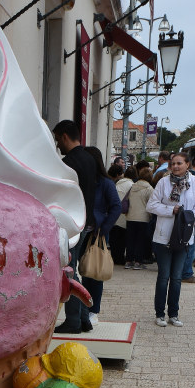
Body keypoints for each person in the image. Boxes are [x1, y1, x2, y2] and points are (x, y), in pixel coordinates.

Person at [147, 152, 195, 327]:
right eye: (173, 163)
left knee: (177, 277)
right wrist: (170, 210)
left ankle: (174, 313)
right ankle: (159, 314)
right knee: (164, 276)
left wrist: (188, 219)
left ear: (188, 164)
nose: (175, 166)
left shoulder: (194, 182)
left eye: (179, 163)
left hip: (183, 236)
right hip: (164, 236)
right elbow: (151, 204)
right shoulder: (163, 182)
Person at [53, 120, 98, 333]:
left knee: (68, 272)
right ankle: (82, 319)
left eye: (57, 140)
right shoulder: (89, 158)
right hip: (87, 221)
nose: (57, 145)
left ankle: (73, 320)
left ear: (64, 136)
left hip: (72, 224)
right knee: (74, 270)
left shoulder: (68, 162)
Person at [78, 145, 122, 325]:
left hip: (96, 233)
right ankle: (81, 309)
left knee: (94, 272)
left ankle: (93, 310)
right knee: (80, 272)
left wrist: (104, 228)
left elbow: (116, 206)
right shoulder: (80, 180)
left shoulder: (105, 183)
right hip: (79, 231)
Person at [125, 166, 154, 268]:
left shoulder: (132, 187)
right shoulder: (149, 189)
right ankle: (138, 261)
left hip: (130, 216)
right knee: (140, 241)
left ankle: (128, 260)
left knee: (130, 240)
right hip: (143, 218)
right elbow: (152, 204)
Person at [109, 163, 133, 266]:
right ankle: (119, 258)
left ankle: (114, 257)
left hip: (113, 216)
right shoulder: (131, 185)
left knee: (114, 239)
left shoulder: (116, 184)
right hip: (124, 216)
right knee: (122, 240)